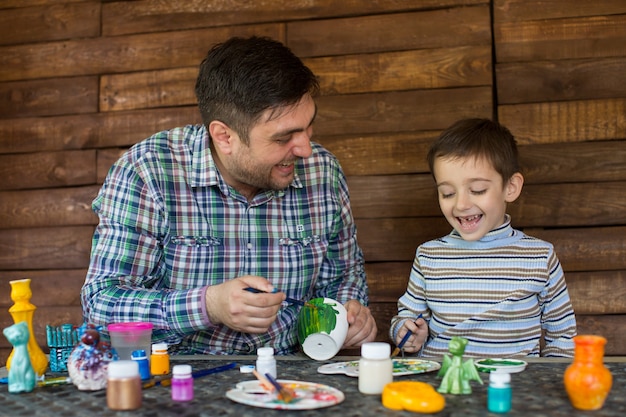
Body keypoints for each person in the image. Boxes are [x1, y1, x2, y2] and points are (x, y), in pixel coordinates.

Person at [81, 36, 377, 355]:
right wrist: (209, 305)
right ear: (224, 136)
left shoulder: (323, 171)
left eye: (308, 126)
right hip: (178, 376)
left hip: (290, 374)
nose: (305, 149)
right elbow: (102, 305)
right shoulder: (147, 172)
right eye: (283, 138)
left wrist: (350, 311)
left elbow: (343, 276)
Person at [390, 118, 577, 358]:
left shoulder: (540, 256)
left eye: (477, 190)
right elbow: (407, 318)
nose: (461, 204)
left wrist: (542, 383)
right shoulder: (429, 255)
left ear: (510, 187)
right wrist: (406, 334)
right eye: (447, 193)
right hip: (444, 385)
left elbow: (562, 337)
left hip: (512, 390)